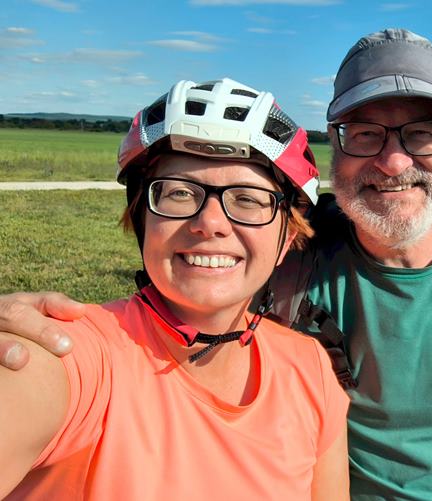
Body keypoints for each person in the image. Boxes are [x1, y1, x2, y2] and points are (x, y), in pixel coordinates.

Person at [0, 29, 432, 500]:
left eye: (423, 132)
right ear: (335, 140)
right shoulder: (80, 359)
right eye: (365, 133)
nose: (393, 160)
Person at [0, 77, 350, 500]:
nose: (210, 223)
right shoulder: (73, 354)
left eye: (248, 198)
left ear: (286, 240)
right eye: (180, 193)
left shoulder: (310, 369)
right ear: (143, 219)